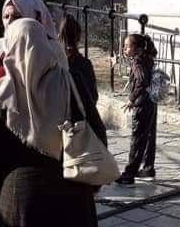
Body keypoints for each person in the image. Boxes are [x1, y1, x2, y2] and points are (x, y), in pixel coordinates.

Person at [0, 18, 100, 227]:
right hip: (72, 195)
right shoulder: (71, 83)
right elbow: (98, 136)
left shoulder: (1, 94)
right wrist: (91, 184)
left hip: (19, 203)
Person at [0, 0, 60, 79]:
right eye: (6, 16)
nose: (9, 22)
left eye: (17, 16)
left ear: (35, 17)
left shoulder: (53, 49)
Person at [116, 34, 159, 186]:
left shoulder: (138, 62)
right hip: (151, 101)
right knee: (149, 136)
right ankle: (148, 168)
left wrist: (131, 99)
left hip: (142, 104)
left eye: (127, 46)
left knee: (137, 138)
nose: (124, 49)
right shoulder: (147, 58)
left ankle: (129, 174)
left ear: (138, 49)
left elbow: (142, 80)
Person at [59, 15, 107, 145]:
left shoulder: (55, 63)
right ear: (78, 37)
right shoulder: (83, 64)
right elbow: (93, 96)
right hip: (81, 122)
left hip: (59, 124)